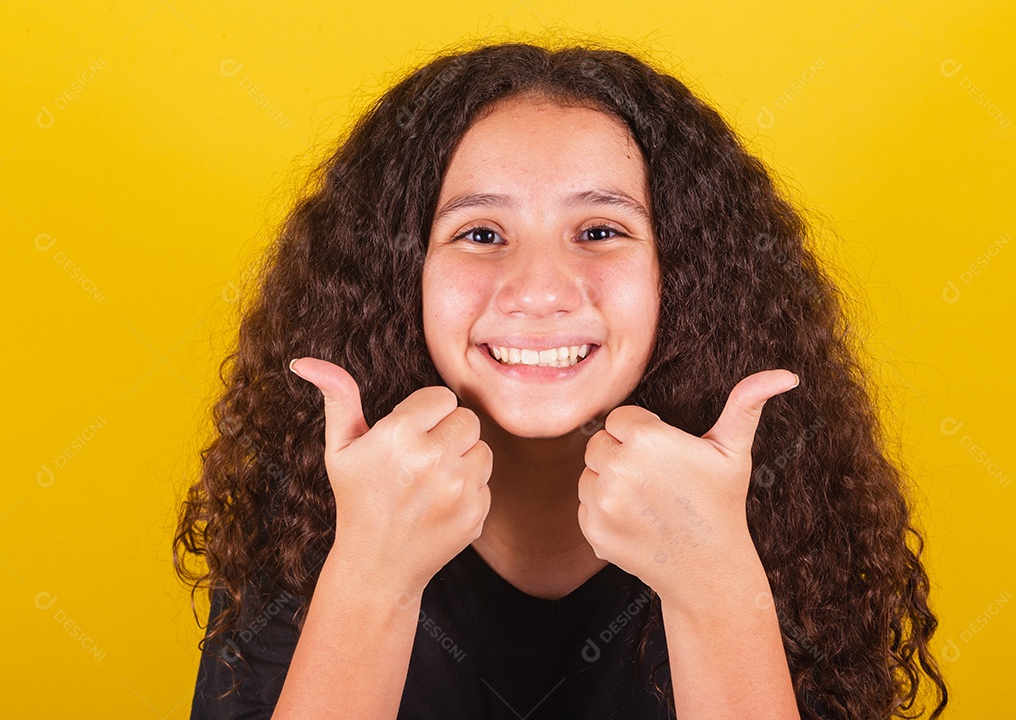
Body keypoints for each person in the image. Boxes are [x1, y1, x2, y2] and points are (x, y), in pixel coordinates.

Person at [174, 41, 948, 719]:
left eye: (601, 232)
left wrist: (715, 580)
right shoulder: (310, 517)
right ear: (396, 273)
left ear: (684, 274)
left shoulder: (789, 522)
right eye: (480, 234)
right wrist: (368, 573)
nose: (539, 290)